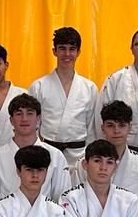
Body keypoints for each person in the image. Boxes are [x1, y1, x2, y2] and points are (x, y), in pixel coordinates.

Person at [28, 26, 98, 164]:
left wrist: (89, 157)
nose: (67, 54)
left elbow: (92, 129)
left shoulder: (89, 88)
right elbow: (33, 125)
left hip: (80, 156)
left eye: (72, 49)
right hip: (47, 153)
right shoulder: (38, 86)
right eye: (62, 48)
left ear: (78, 52)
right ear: (54, 51)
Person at [0, 93, 70, 202]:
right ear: (11, 120)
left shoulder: (56, 156)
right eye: (19, 114)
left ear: (38, 118)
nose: (24, 119)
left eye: (30, 113)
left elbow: (63, 199)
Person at [76, 100, 138, 198]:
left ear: (130, 128)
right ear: (102, 128)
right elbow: (76, 197)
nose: (116, 131)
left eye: (122, 125)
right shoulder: (85, 162)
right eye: (110, 125)